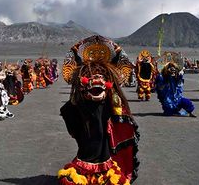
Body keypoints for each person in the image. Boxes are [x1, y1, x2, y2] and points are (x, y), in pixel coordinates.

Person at [58, 35, 139, 185]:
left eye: (102, 77)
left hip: (105, 157)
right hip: (84, 157)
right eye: (89, 77)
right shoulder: (77, 104)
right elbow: (70, 119)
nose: (97, 81)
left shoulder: (111, 103)